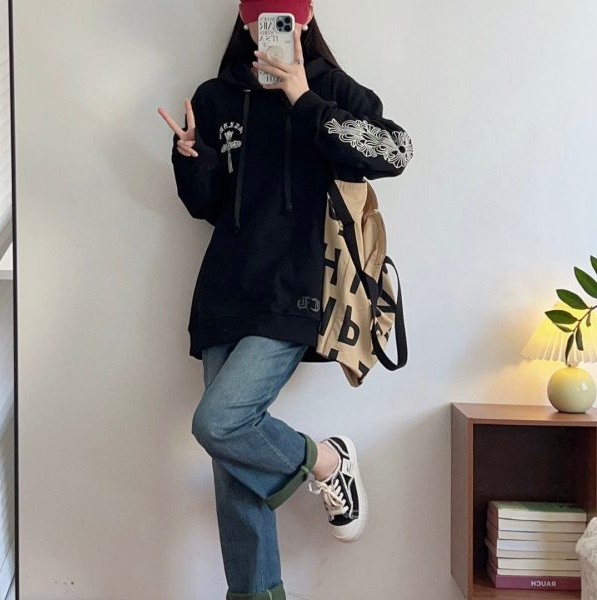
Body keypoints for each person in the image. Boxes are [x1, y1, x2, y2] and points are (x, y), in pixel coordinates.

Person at [158, 1, 413, 598]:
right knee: (231, 463)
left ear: (305, 22)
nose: (272, 29)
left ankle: (327, 461)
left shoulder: (330, 88)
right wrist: (190, 159)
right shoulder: (215, 97)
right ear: (245, 23)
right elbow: (208, 206)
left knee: (219, 422)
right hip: (226, 290)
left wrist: (303, 98)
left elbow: (394, 153)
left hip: (298, 288)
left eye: (286, 19)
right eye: (261, 18)